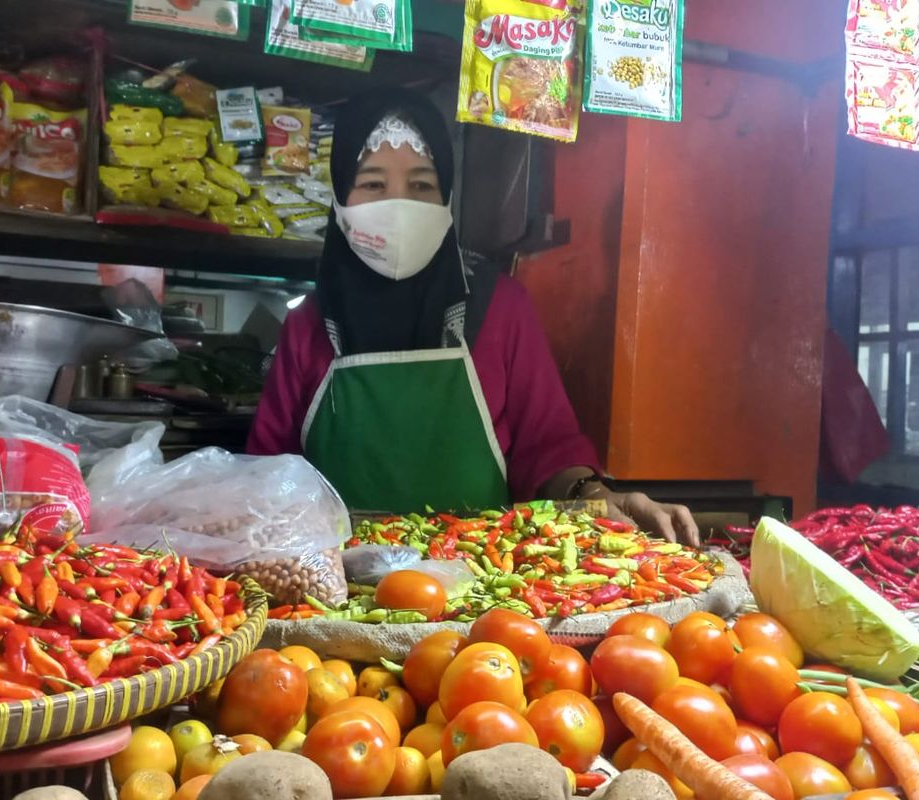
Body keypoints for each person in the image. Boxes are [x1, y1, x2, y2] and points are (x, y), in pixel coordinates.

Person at [247, 88, 699, 545]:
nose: (400, 206)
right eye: (373, 184)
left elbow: (547, 448)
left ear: (446, 196)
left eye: (422, 185)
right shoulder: (310, 323)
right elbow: (269, 475)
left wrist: (596, 496)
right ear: (340, 197)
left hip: (483, 586)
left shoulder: (499, 307)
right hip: (334, 592)